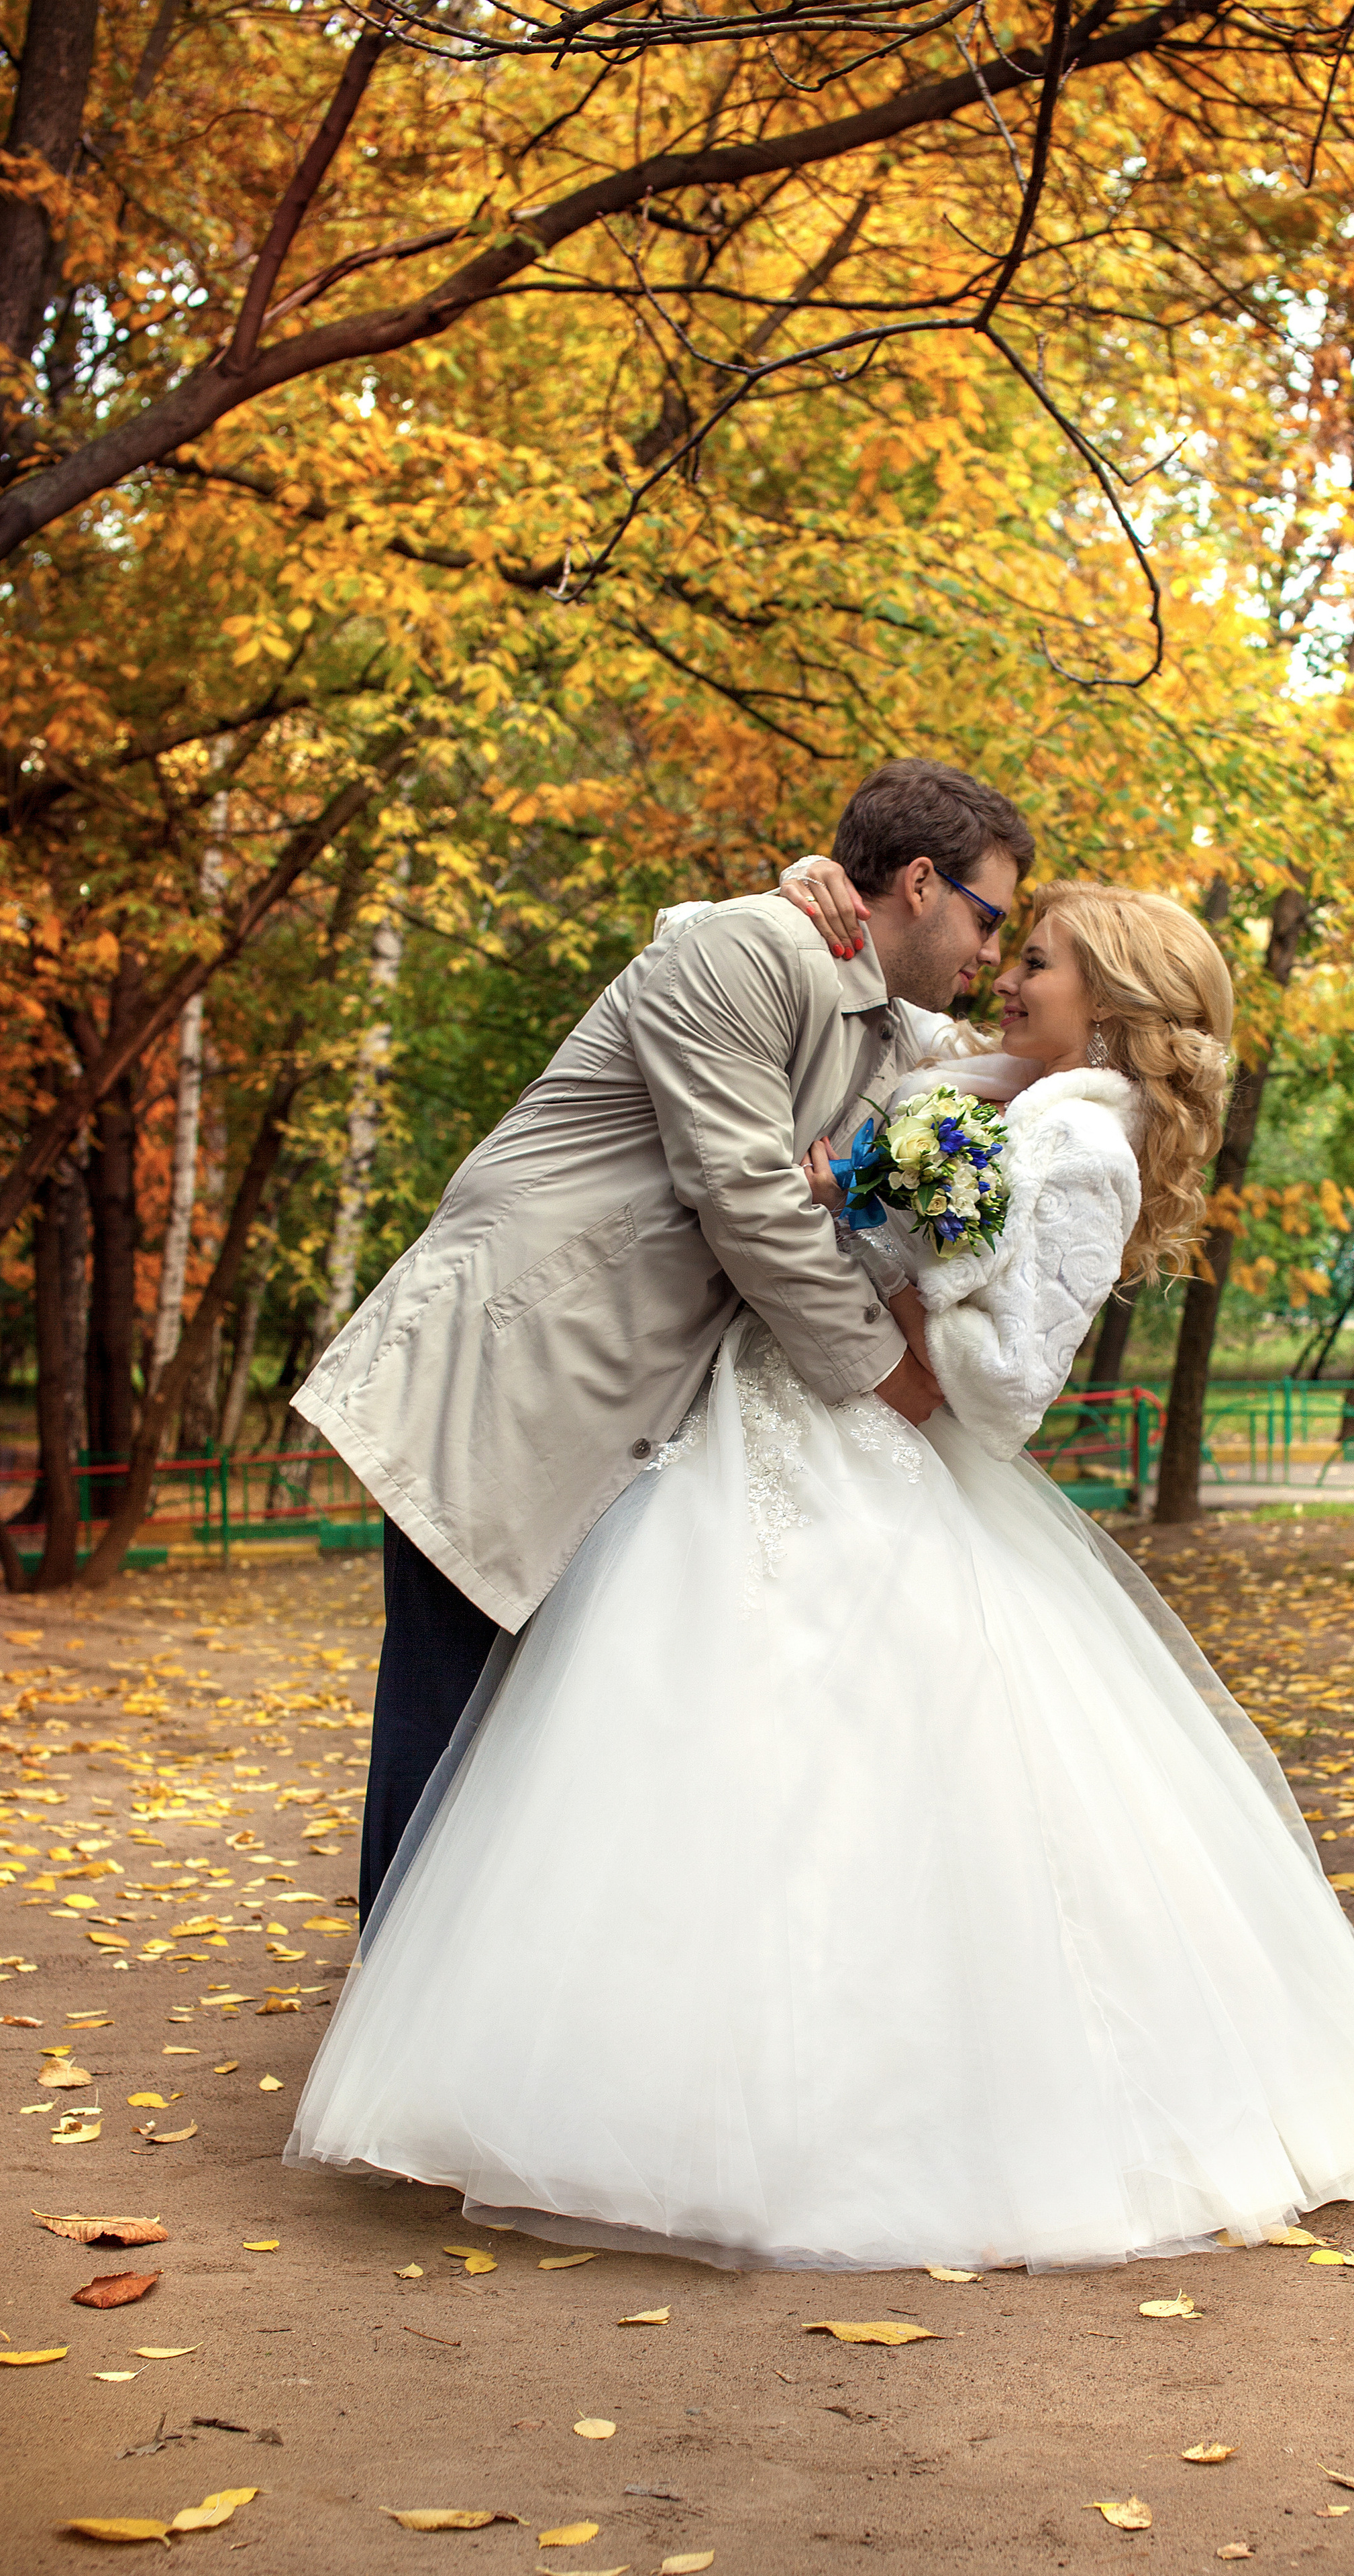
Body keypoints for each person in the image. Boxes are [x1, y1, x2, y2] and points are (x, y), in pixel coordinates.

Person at [285, 871, 1354, 2273]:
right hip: (764, 1413)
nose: (1006, 976)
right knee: (677, 1746)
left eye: (1038, 961)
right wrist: (788, 925)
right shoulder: (997, 1083)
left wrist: (928, 1269)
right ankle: (640, 2060)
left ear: (1112, 1003)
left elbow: (1011, 1389)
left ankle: (840, 2110)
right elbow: (748, 982)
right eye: (1006, 945)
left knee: (857, 1764)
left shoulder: (1087, 1145)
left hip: (868, 1433)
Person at [291, 758, 1033, 1921]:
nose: (991, 955)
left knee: (553, 1717)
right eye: (989, 920)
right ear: (923, 882)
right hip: (515, 1354)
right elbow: (743, 1193)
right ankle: (390, 2003)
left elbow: (1001, 1064)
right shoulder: (748, 950)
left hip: (620, 1388)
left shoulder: (877, 1017)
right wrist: (883, 1371)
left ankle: (492, 2005)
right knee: (450, 1696)